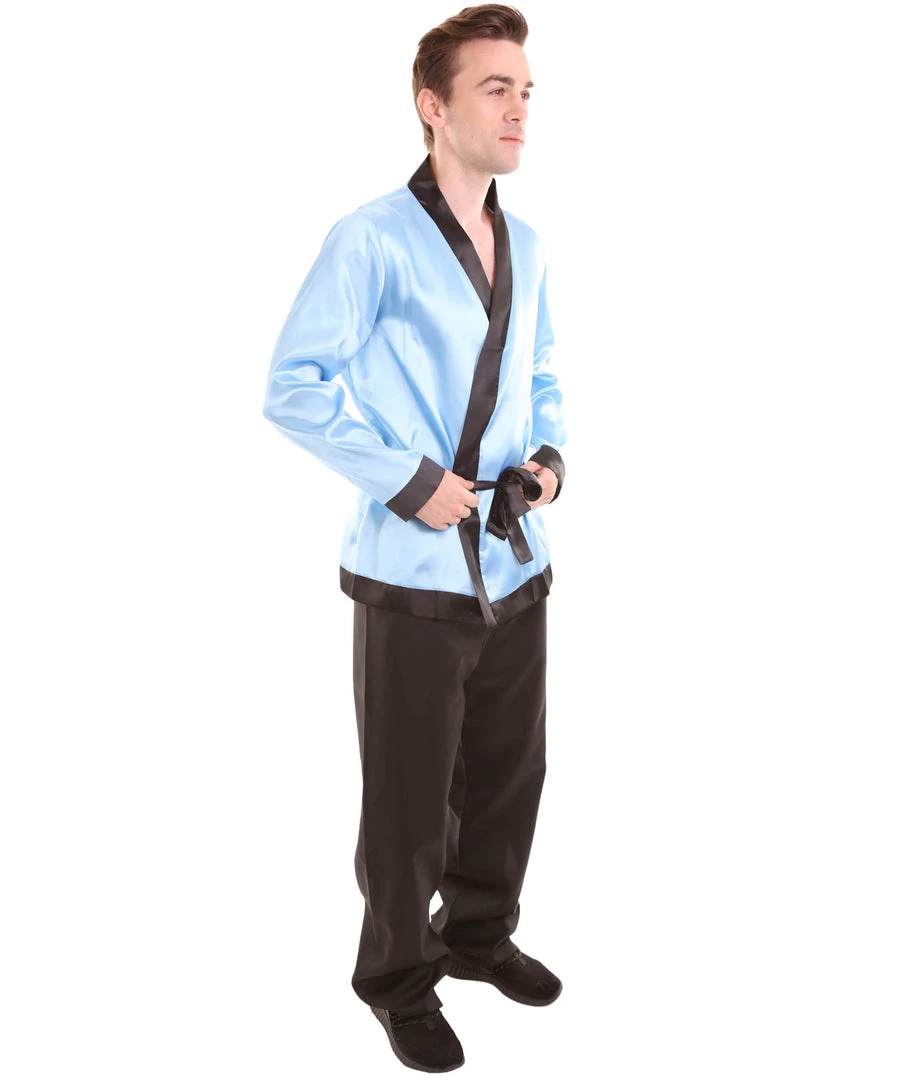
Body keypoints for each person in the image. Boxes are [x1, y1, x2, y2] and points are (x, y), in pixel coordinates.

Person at [262, 5, 567, 1071]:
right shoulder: (370, 238)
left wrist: (547, 461)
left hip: (513, 557)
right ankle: (397, 976)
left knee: (510, 770)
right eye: (495, 88)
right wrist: (407, 479)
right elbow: (294, 385)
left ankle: (479, 934)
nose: (518, 108)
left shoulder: (528, 244)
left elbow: (540, 373)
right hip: (412, 566)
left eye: (525, 90)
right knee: (407, 793)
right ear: (433, 106)